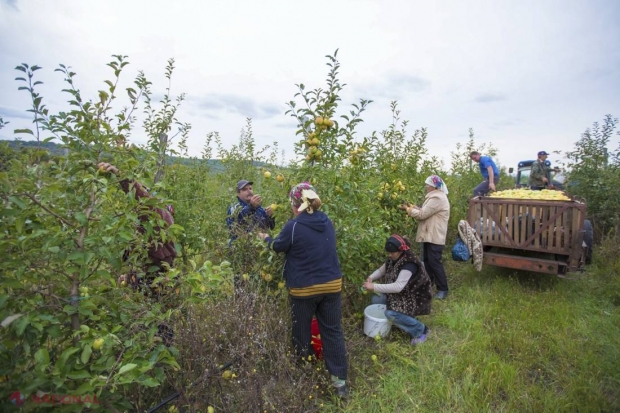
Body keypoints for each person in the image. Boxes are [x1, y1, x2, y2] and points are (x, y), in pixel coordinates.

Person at [257, 182, 348, 398]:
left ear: (295, 204)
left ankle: (302, 373)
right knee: (332, 331)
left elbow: (279, 246)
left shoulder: (294, 225)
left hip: (304, 289)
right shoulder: (326, 220)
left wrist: (266, 239)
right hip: (332, 284)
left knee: (301, 331)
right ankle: (340, 384)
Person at [97, 162, 177, 345]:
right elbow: (140, 254)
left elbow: (141, 198)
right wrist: (130, 276)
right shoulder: (145, 226)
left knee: (156, 321)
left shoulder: (158, 215)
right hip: (150, 278)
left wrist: (121, 174)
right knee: (150, 320)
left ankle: (160, 354)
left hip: (156, 279)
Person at [362, 235, 432, 344]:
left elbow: (397, 287)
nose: (389, 255)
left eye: (392, 253)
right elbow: (382, 270)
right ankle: (403, 320)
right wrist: (371, 277)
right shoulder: (393, 257)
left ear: (400, 251)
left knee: (390, 313)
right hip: (402, 292)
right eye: (388, 253)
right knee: (377, 299)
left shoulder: (409, 263)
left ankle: (421, 330)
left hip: (415, 296)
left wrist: (374, 286)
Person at [399, 175, 450, 299]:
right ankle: (428, 284)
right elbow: (426, 211)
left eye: (428, 184)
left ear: (434, 186)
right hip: (430, 235)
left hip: (435, 236)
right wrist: (413, 207)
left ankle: (443, 289)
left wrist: (408, 210)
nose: (426, 186)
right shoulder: (435, 197)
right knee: (427, 262)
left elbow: (422, 215)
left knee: (434, 262)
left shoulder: (437, 198)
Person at [227, 180, 275, 244]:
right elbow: (238, 220)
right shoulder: (235, 207)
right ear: (238, 194)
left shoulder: (259, 208)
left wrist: (270, 216)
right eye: (244, 189)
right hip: (240, 247)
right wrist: (251, 207)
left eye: (250, 188)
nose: (249, 191)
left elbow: (270, 227)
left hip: (258, 247)